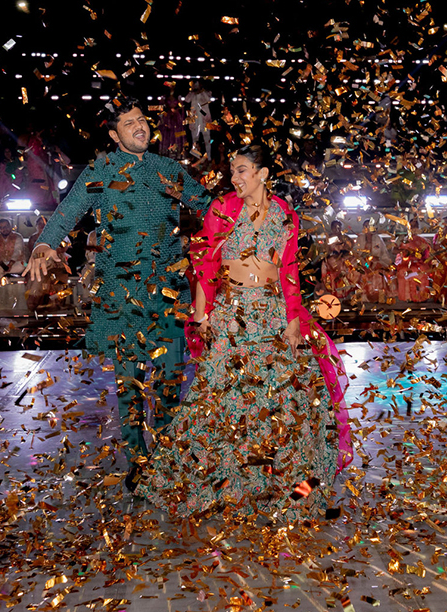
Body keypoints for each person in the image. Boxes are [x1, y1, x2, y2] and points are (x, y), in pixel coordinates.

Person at [137, 144, 351, 523]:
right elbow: (205, 265)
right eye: (232, 172)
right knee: (222, 402)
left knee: (286, 405)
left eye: (242, 171)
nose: (234, 178)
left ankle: (297, 496)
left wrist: (293, 319)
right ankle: (220, 491)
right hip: (231, 315)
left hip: (272, 315)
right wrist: (202, 316)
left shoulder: (285, 214)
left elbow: (288, 270)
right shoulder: (221, 209)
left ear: (263, 174)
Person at [26, 97, 212, 482]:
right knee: (130, 383)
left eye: (142, 120)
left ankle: (165, 458)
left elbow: (210, 208)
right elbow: (69, 209)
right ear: (114, 134)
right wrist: (45, 242)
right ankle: (138, 462)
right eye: (129, 124)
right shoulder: (102, 169)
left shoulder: (168, 169)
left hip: (167, 292)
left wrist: (253, 213)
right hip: (121, 295)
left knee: (169, 380)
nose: (140, 127)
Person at [0, 217, 26, 312]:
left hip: (19, 263)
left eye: (6, 227)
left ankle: (1, 275)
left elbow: (18, 252)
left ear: (10, 227)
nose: (4, 229)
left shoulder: (18, 237)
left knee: (21, 265)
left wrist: (10, 264)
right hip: (3, 264)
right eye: (2, 227)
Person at [184, 80, 213, 162]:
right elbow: (187, 100)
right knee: (194, 140)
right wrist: (192, 91)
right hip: (195, 119)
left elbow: (208, 99)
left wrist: (202, 91)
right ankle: (195, 157)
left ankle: (209, 157)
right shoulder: (192, 94)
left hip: (204, 118)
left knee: (207, 138)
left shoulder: (206, 93)